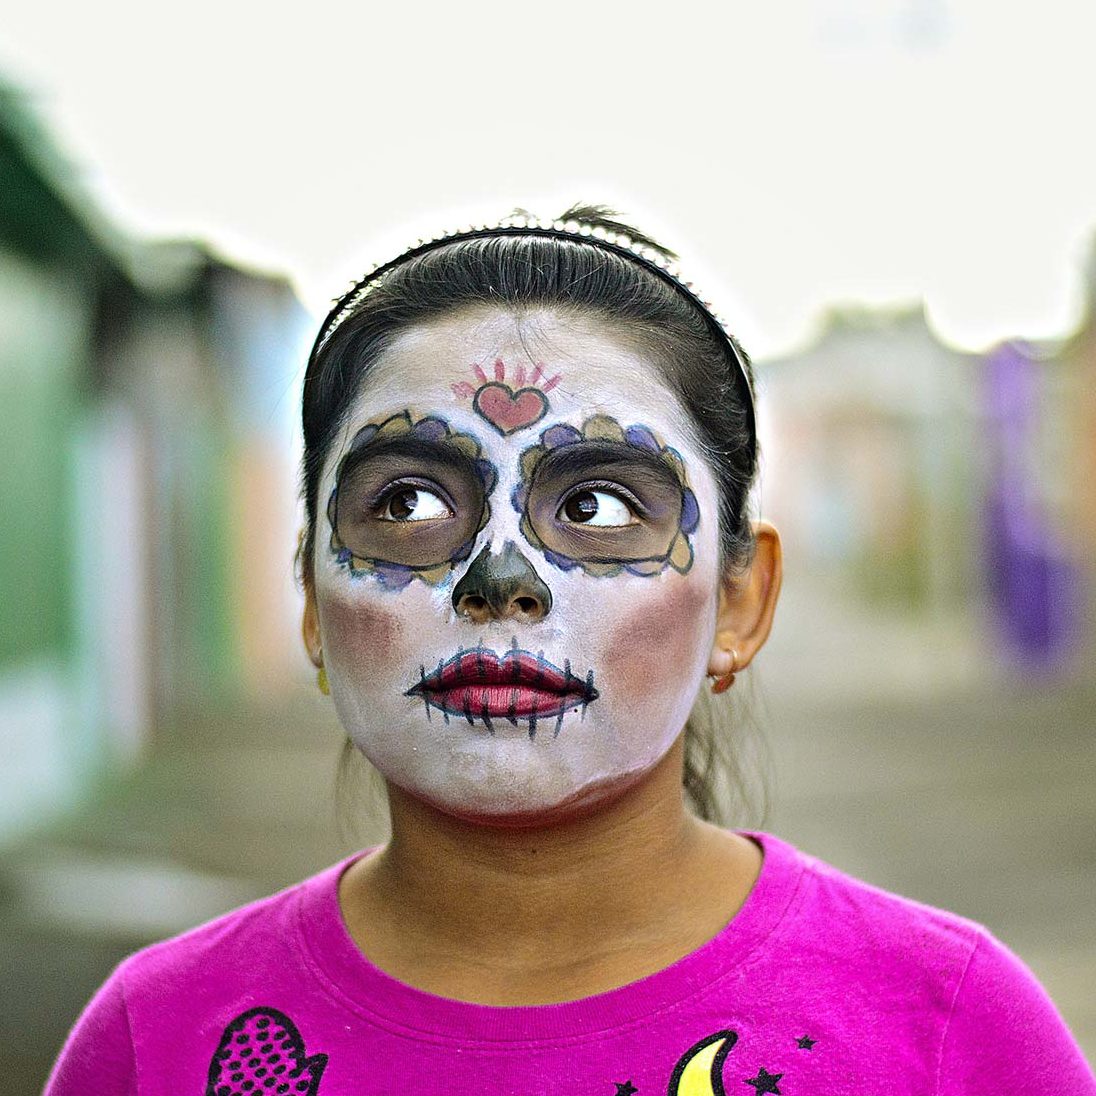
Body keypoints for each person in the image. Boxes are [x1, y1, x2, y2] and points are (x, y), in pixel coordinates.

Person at [45, 206, 1094, 1095]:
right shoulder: (159, 1041)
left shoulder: (947, 1026)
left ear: (740, 601)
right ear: (312, 599)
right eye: (406, 502)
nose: (501, 582)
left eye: (596, 504)